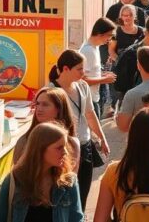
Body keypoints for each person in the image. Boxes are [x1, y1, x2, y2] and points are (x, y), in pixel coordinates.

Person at [48, 50, 111, 207]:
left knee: (82, 192)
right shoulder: (51, 91)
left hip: (85, 146)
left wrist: (102, 138)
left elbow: (90, 114)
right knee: (64, 193)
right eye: (80, 69)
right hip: (64, 150)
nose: (83, 73)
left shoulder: (83, 86)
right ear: (65, 69)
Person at [0, 122, 82, 222]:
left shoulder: (69, 182)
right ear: (40, 150)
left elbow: (77, 219)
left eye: (65, 146)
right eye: (59, 148)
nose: (65, 152)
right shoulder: (14, 181)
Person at [12, 88, 81, 165]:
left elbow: (72, 174)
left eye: (45, 104)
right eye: (37, 104)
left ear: (59, 109)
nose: (39, 109)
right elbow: (18, 173)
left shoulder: (72, 144)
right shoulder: (24, 141)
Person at [81, 18, 117, 117]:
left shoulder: (95, 47)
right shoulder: (87, 51)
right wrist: (104, 79)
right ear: (100, 34)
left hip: (94, 99)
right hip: (88, 102)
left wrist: (102, 74)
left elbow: (90, 73)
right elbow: (82, 80)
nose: (109, 39)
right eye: (109, 36)